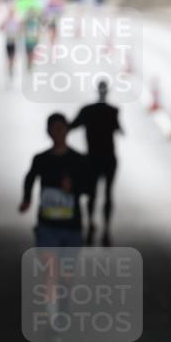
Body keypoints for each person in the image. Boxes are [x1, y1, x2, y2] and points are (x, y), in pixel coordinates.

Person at [19, 113, 90, 248]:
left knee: (68, 269)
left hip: (72, 227)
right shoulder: (41, 159)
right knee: (49, 268)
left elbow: (90, 187)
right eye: (54, 128)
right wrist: (26, 199)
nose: (58, 132)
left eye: (61, 128)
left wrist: (73, 187)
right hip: (47, 227)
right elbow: (30, 178)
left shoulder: (79, 160)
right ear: (48, 132)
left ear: (67, 130)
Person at [69, 80, 122, 245]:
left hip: (92, 158)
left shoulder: (87, 111)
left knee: (92, 194)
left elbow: (71, 126)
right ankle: (105, 229)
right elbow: (120, 130)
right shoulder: (112, 111)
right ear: (107, 92)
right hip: (109, 158)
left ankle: (91, 224)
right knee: (108, 194)